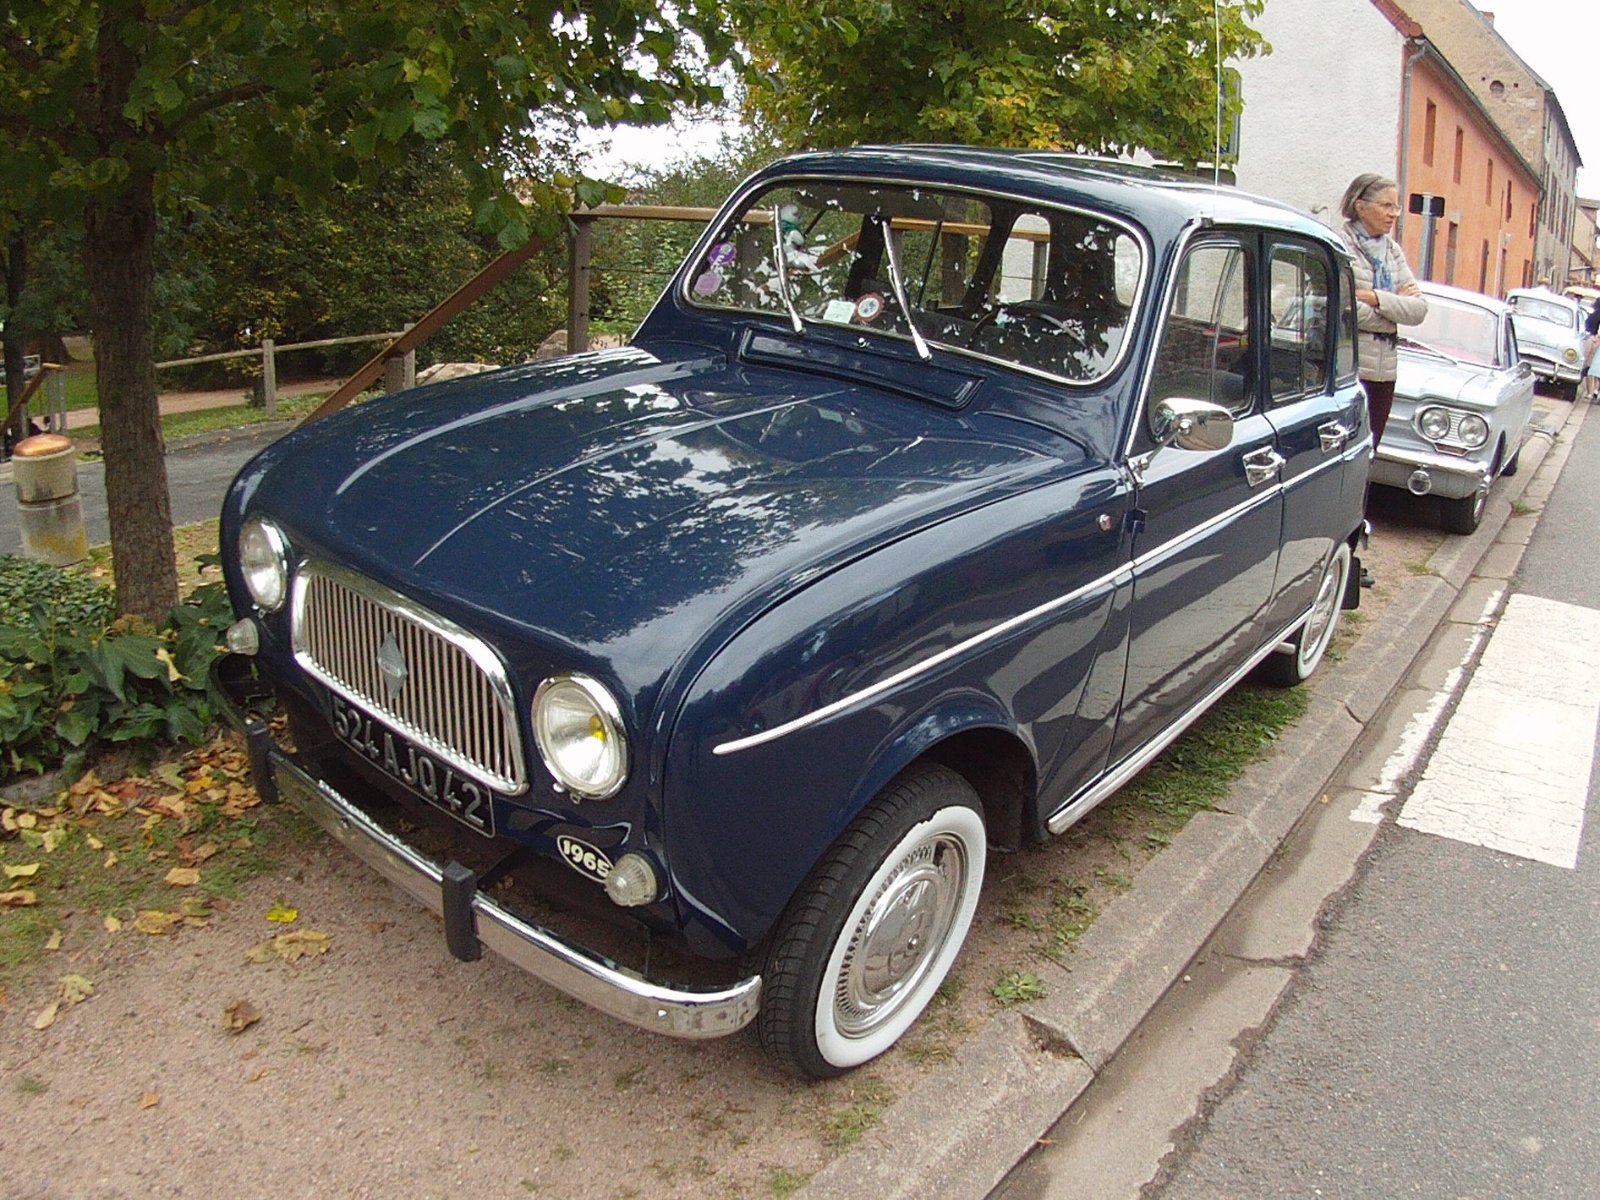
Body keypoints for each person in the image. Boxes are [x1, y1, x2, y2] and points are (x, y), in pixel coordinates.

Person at [1338, 174, 1428, 445]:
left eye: (1396, 207)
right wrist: (1393, 311)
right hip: (1349, 370)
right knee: (1346, 448)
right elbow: (1345, 310)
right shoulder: (1341, 246)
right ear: (1360, 205)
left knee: (1370, 449)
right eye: (1386, 206)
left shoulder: (1392, 251)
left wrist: (1376, 298)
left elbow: (1418, 310)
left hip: (1384, 373)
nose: (1393, 214)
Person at [1583, 298, 1600, 402]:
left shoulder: (1593, 315)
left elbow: (1587, 327)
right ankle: (1596, 391)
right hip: (1596, 341)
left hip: (1594, 341)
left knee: (1590, 367)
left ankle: (1590, 392)